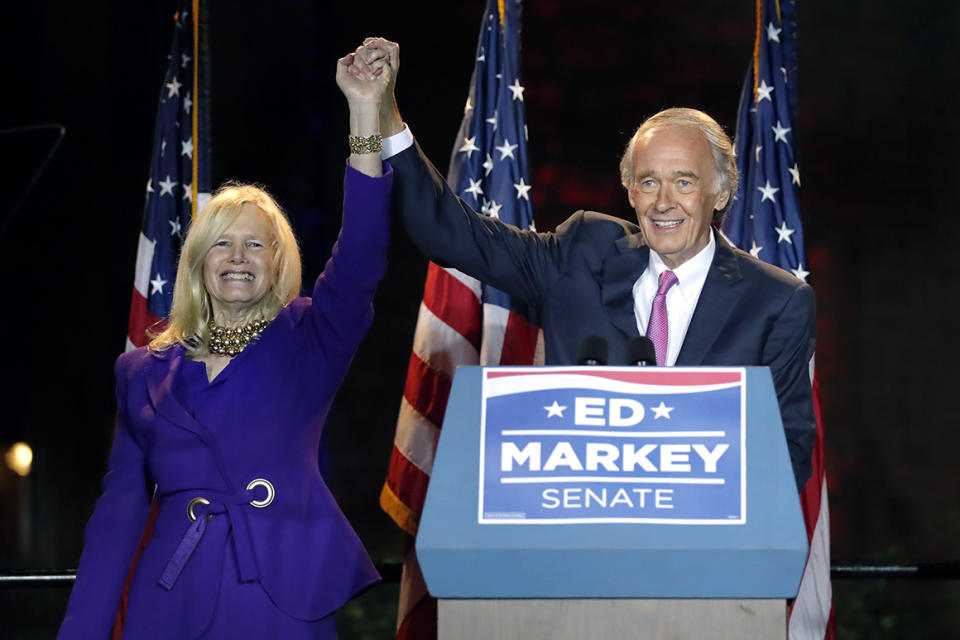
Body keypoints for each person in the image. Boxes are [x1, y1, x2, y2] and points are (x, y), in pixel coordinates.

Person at [348, 38, 816, 490]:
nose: (663, 202)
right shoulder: (582, 254)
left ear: (723, 193)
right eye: (648, 182)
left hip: (702, 548)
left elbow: (789, 456)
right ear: (630, 191)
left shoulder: (775, 301)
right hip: (576, 536)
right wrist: (385, 115)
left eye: (685, 182)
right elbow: (450, 234)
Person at [58, 53, 393, 639]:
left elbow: (362, 254)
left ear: (278, 263)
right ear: (197, 263)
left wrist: (364, 109)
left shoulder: (310, 337)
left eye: (256, 246)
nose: (238, 258)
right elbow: (116, 522)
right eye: (222, 244)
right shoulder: (139, 372)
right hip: (171, 600)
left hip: (282, 597)